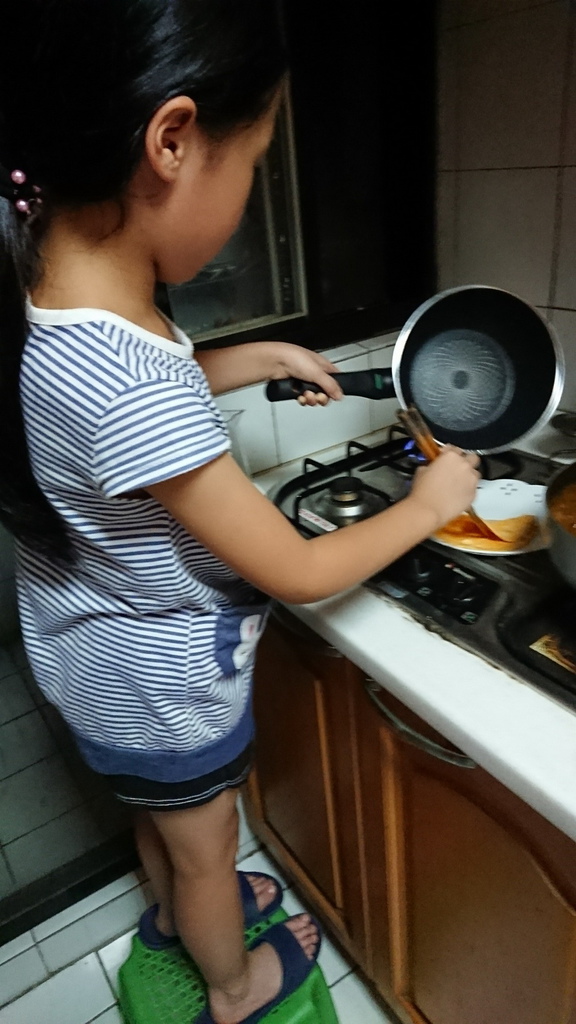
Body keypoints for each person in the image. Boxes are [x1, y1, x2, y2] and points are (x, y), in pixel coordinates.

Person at [0, 2, 480, 1022]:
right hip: (158, 686)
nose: (254, 190)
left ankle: (181, 913)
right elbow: (297, 570)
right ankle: (231, 984)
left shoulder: (65, 296)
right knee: (208, 845)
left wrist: (247, 358)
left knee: (166, 826)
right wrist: (432, 501)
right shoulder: (128, 378)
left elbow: (136, 400)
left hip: (98, 663)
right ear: (172, 141)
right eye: (255, 161)